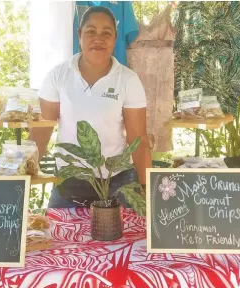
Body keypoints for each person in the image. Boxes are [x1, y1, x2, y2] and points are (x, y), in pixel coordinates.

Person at [30, 6, 152, 208]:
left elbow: (139, 139)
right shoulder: (58, 76)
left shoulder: (128, 80)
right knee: (61, 238)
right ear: (79, 35)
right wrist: (22, 176)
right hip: (69, 182)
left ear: (115, 39)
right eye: (90, 31)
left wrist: (147, 188)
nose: (99, 38)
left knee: (128, 239)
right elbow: (41, 133)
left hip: (118, 183)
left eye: (107, 33)